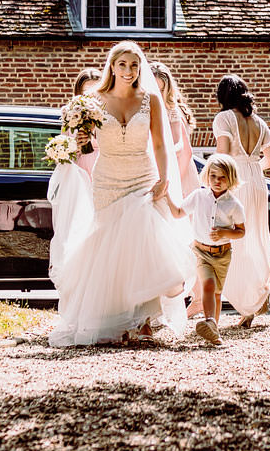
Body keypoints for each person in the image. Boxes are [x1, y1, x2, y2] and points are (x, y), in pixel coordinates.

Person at [48, 40, 193, 347]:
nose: (129, 71)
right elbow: (79, 140)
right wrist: (81, 136)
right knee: (111, 248)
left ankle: (143, 320)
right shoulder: (93, 99)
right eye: (123, 65)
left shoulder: (150, 99)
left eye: (134, 65)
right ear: (111, 67)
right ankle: (114, 320)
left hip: (143, 176)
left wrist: (164, 177)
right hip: (108, 179)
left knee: (144, 244)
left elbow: (159, 145)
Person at [213, 74, 270, 326]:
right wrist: (253, 168)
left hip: (235, 179)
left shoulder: (224, 118)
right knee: (258, 237)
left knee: (234, 238)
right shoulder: (259, 122)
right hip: (259, 182)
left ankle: (245, 302)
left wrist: (216, 181)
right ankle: (260, 294)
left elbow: (223, 154)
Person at [166, 155, 246, 345]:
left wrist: (226, 232)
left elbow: (241, 231)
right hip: (201, 252)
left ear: (231, 178)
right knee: (208, 286)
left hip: (223, 254)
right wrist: (166, 196)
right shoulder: (199, 196)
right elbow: (178, 213)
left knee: (217, 293)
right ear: (207, 176)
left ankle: (213, 331)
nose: (217, 181)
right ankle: (210, 321)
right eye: (213, 176)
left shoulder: (234, 205)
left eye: (222, 177)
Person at [151, 60, 202, 199]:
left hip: (180, 171)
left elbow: (182, 149)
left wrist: (173, 181)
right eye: (154, 89)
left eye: (162, 90)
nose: (158, 95)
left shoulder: (172, 111)